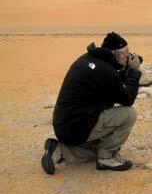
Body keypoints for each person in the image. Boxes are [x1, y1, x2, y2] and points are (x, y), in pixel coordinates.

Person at [41, 32, 142, 175]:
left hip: (65, 125)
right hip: (77, 127)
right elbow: (127, 99)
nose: (128, 57)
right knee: (129, 114)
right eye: (127, 54)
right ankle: (107, 158)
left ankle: (58, 151)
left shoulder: (89, 59)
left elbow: (108, 83)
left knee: (95, 150)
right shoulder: (106, 71)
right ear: (117, 55)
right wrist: (133, 72)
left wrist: (124, 70)